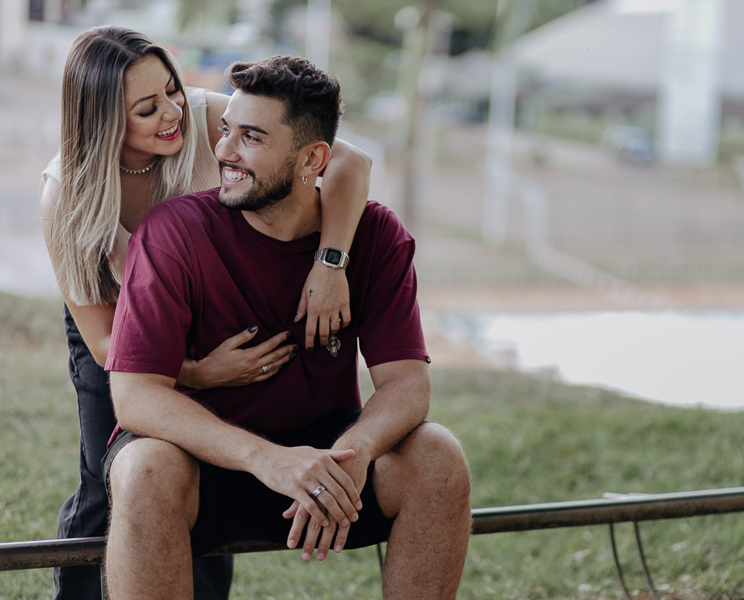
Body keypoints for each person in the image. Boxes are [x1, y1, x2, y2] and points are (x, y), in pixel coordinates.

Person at [101, 55, 472, 599]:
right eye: (226, 130)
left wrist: (355, 455)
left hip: (327, 456)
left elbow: (407, 384)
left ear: (313, 158)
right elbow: (134, 396)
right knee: (143, 468)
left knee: (437, 456)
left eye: (250, 137)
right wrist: (267, 459)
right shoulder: (172, 233)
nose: (223, 150)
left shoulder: (375, 236)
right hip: (208, 462)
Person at [38, 26, 372, 600]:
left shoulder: (206, 117)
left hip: (203, 315)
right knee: (111, 477)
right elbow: (102, 343)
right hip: (121, 331)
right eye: (148, 108)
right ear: (103, 121)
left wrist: (330, 262)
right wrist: (195, 374)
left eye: (171, 88)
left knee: (199, 465)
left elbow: (350, 163)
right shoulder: (66, 193)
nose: (173, 112)